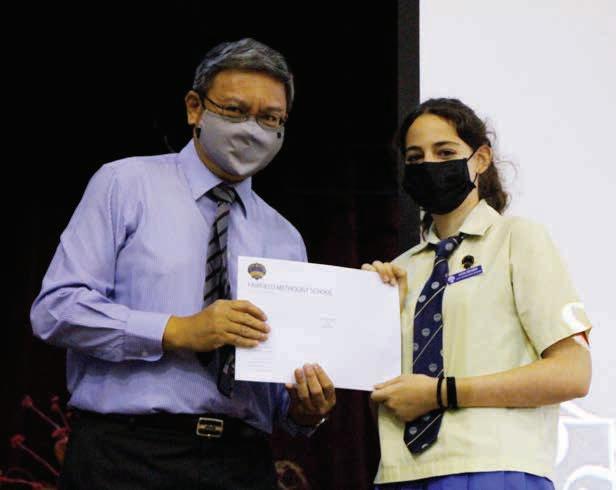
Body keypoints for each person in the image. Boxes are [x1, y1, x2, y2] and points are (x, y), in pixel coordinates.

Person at [30, 38, 335, 490]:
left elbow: (276, 396)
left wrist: (305, 411)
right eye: (235, 110)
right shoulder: (125, 184)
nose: (252, 130)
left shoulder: (285, 237)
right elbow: (56, 311)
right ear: (195, 108)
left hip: (242, 462)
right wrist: (176, 330)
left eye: (270, 118)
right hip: (125, 455)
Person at [363, 98, 592, 490]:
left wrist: (443, 393)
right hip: (402, 474)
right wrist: (374, 317)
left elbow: (573, 373)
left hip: (495, 467)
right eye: (415, 157)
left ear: (481, 158)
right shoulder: (399, 269)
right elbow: (384, 398)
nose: (429, 165)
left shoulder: (517, 239)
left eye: (445, 152)